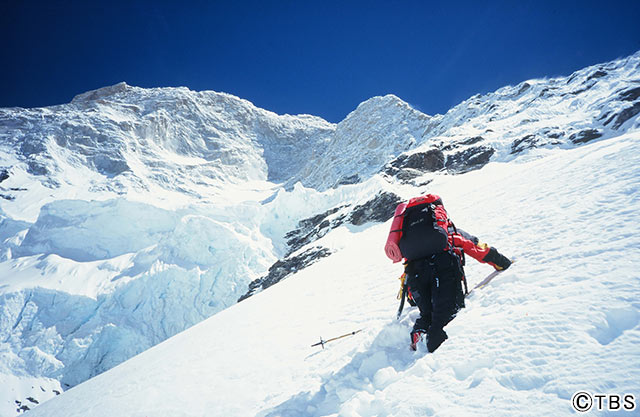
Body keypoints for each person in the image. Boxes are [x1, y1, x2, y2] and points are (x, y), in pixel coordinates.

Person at [385, 194, 511, 352]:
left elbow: (407, 279)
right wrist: (502, 262)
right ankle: (435, 349)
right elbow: (477, 247)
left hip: (416, 274)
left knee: (426, 314)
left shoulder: (411, 244)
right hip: (444, 269)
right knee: (445, 315)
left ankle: (419, 335)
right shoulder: (448, 232)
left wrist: (412, 299)